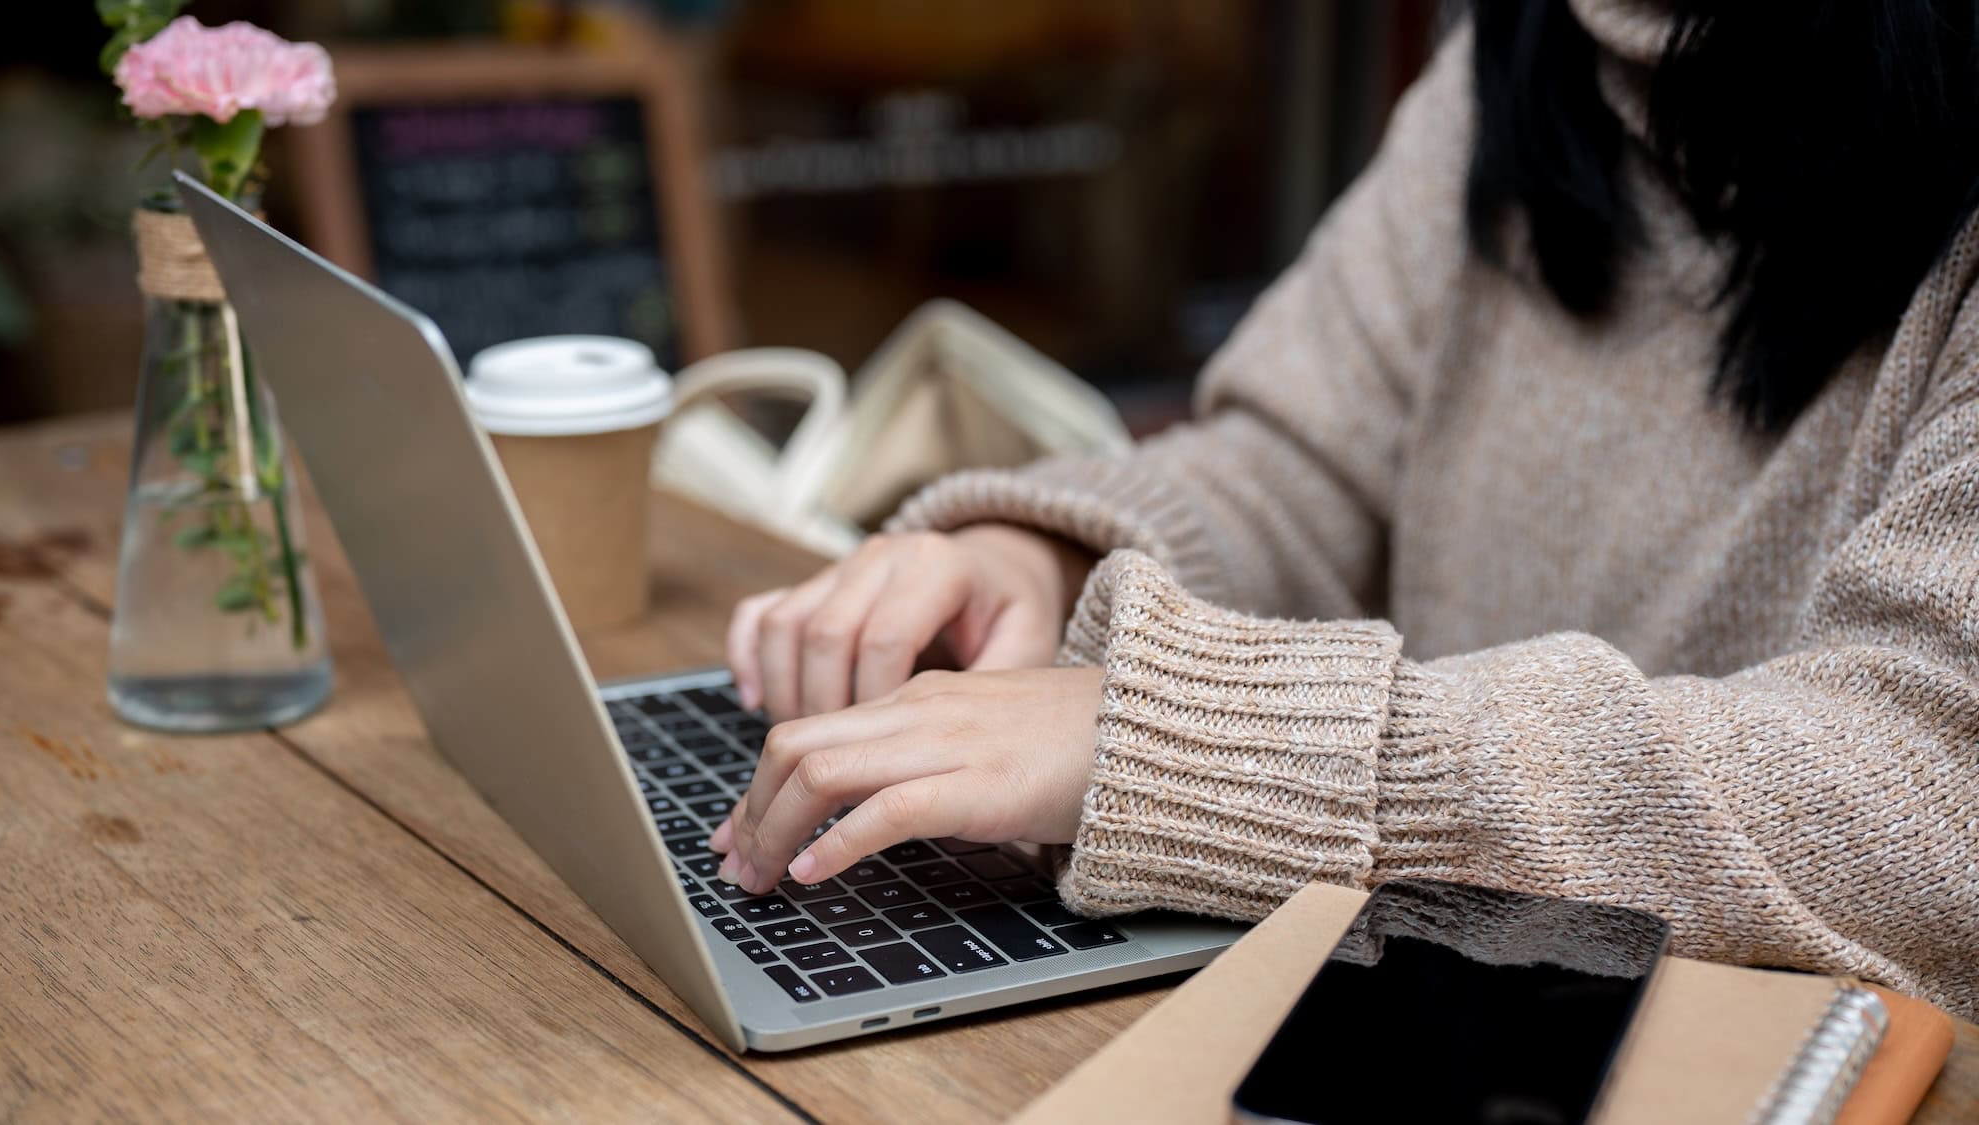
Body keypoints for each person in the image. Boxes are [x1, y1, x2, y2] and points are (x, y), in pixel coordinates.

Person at [706, 0, 1979, 1019]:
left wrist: (1180, 742)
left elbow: (1927, 793)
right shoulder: (1535, 43)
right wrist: (1040, 556)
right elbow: (1301, 466)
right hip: (1442, 1009)